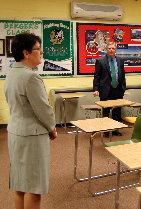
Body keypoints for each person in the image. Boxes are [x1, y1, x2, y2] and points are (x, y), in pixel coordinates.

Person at [4, 33, 57, 209]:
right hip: (31, 135)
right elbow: (43, 109)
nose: (41, 52)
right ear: (26, 53)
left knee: (20, 184)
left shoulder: (11, 73)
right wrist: (52, 128)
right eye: (38, 49)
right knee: (34, 186)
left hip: (15, 132)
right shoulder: (31, 77)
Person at [93, 42, 126, 136]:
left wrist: (123, 87)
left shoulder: (120, 60)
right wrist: (96, 89)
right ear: (106, 50)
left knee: (117, 110)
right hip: (105, 89)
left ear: (115, 50)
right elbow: (97, 76)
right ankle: (106, 131)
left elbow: (122, 75)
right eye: (109, 48)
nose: (111, 50)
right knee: (106, 111)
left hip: (118, 89)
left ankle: (116, 129)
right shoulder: (100, 61)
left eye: (113, 48)